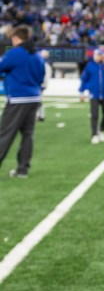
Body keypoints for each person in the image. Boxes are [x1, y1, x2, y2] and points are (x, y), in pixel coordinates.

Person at [0, 26, 46, 178]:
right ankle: (23, 169)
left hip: (18, 99)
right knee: (28, 134)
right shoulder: (38, 56)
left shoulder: (14, 53)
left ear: (16, 38)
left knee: (5, 134)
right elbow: (41, 78)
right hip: (34, 98)